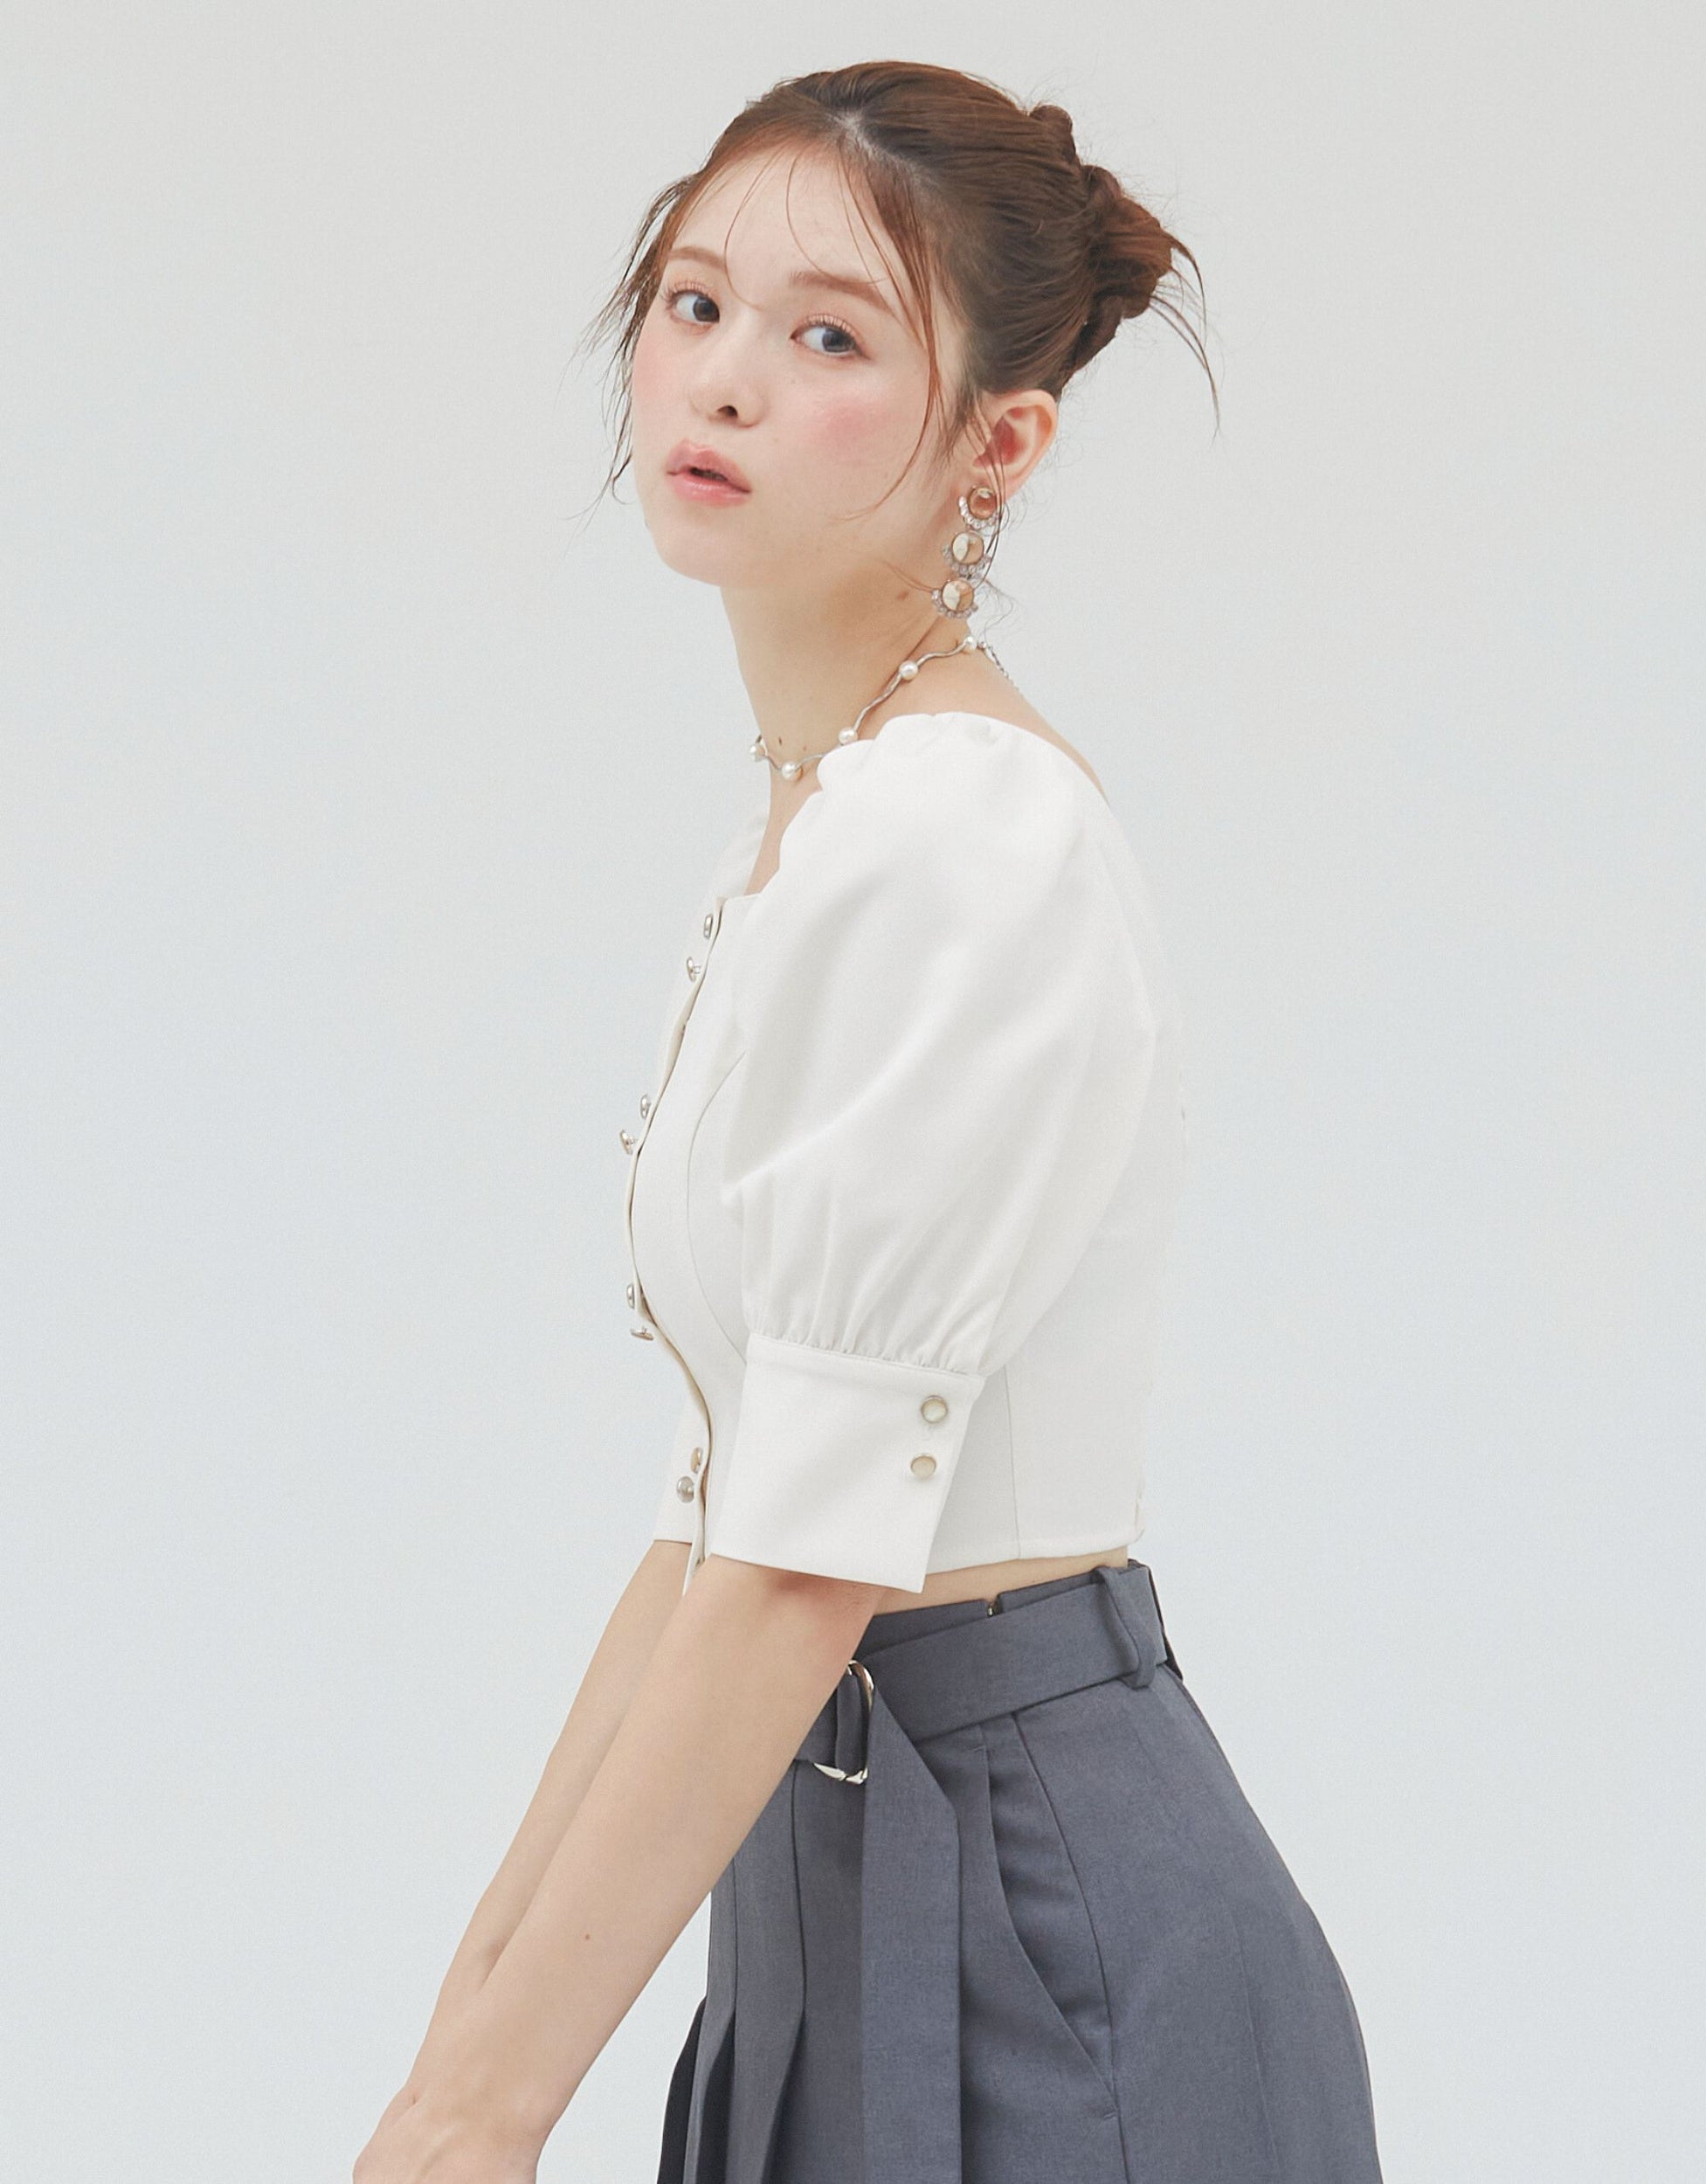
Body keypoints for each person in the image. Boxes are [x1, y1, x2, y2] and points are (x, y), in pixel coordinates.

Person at [353, 59, 1385, 2184]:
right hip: (830, 1874)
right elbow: (711, 1527)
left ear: (997, 444)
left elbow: (803, 1559)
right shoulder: (824, 827)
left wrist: (480, 2111)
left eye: (830, 336)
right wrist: (449, 2062)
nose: (724, 375)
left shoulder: (959, 833)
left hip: (1033, 1920)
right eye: (694, 302)